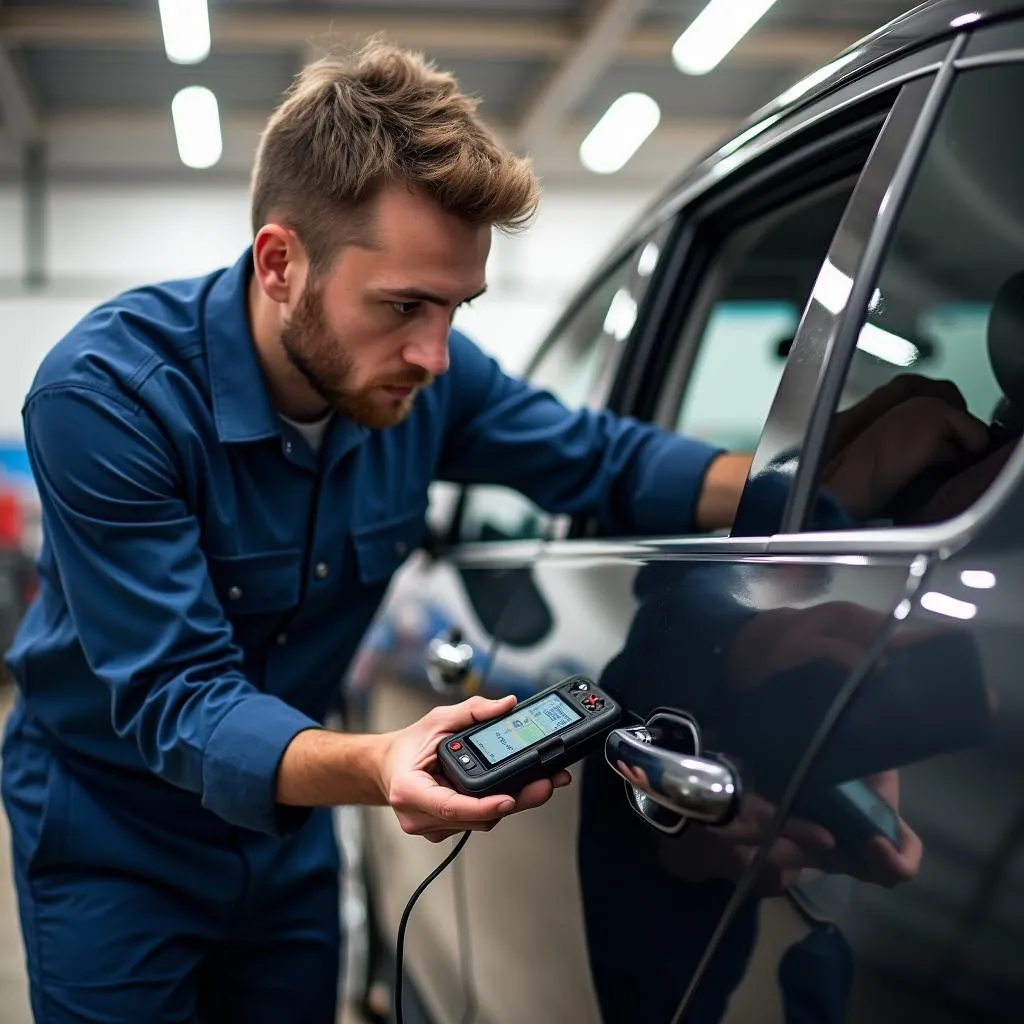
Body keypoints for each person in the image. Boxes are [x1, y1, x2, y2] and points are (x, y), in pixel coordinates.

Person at [0, 39, 995, 1024]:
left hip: (288, 834)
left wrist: (822, 488)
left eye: (456, 307)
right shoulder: (109, 399)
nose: (434, 355)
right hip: (114, 830)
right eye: (403, 307)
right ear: (278, 264)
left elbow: (610, 461)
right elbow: (180, 697)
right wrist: (381, 763)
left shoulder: (432, 374)